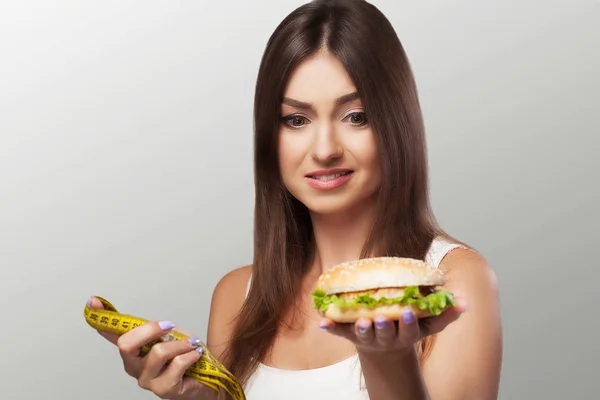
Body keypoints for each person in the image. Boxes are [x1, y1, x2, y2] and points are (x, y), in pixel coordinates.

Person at [87, 0, 503, 399]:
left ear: (397, 123)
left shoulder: (450, 281)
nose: (324, 149)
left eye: (356, 116)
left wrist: (386, 358)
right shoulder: (238, 295)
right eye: (296, 120)